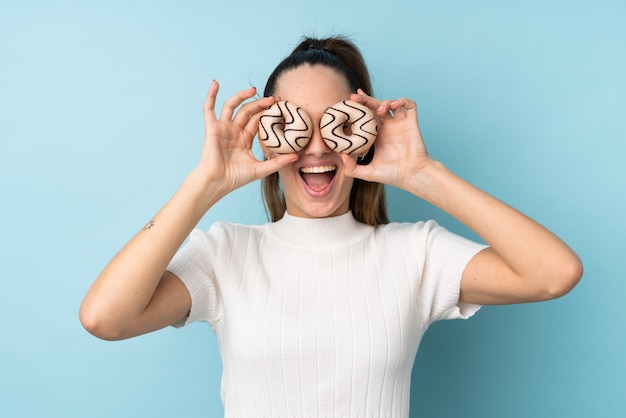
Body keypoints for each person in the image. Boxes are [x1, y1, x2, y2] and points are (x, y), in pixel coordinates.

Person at [80, 36, 583, 417]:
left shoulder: (414, 254)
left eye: (337, 125)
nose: (317, 147)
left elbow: (553, 273)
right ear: (265, 134)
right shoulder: (226, 254)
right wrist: (204, 184)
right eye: (294, 124)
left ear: (363, 134)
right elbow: (106, 318)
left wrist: (422, 174)